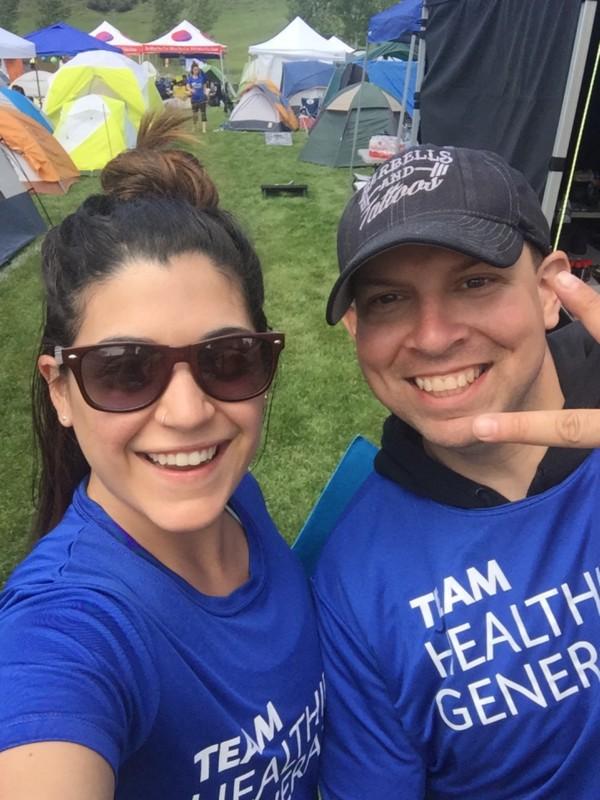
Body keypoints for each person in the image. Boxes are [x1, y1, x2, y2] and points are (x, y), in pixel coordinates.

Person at [0, 111, 323, 800]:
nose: (188, 413)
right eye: (125, 369)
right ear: (60, 389)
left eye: (227, 359)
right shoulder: (66, 630)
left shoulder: (235, 500)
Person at [314, 144, 600, 799]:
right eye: (389, 299)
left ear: (549, 289)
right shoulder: (356, 579)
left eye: (474, 283)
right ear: (355, 328)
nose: (434, 336)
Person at [187, 62, 208, 133]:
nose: (196, 71)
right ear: (192, 70)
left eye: (197, 69)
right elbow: (187, 86)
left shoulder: (201, 78)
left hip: (202, 98)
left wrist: (205, 93)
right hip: (194, 99)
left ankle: (204, 129)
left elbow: (204, 86)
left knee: (203, 113)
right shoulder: (190, 79)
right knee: (194, 114)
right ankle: (194, 127)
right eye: (195, 69)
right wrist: (191, 90)